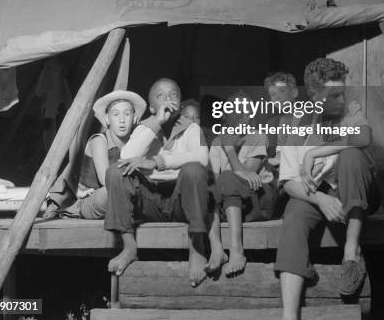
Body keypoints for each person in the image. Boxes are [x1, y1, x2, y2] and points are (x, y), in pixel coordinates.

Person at [276, 58, 380, 320]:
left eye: (342, 92)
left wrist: (314, 153)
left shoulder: (350, 110)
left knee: (352, 156)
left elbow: (364, 137)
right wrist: (321, 199)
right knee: (294, 217)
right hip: (318, 193)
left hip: (357, 190)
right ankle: (290, 316)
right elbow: (289, 181)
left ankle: (351, 251)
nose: (341, 100)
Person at [103, 78, 210, 287]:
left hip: (180, 199)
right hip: (149, 199)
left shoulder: (191, 128)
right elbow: (126, 156)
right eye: (160, 96)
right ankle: (129, 247)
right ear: (152, 107)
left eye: (173, 95)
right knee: (115, 170)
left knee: (194, 169)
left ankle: (197, 247)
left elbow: (202, 158)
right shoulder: (145, 128)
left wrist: (157, 162)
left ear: (179, 104)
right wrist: (157, 123)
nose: (168, 99)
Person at [206, 90, 276, 277]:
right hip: (229, 204)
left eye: (247, 112)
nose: (244, 116)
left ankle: (237, 250)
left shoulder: (258, 137)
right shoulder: (217, 142)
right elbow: (212, 179)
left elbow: (248, 175)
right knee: (206, 189)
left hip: (256, 200)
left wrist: (230, 151)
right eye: (238, 111)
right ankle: (217, 249)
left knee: (228, 178)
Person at [61, 90, 146, 219]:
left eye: (127, 114)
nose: (122, 120)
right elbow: (106, 180)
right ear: (107, 118)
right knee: (110, 193)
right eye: (116, 114)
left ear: (134, 118)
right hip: (93, 198)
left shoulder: (134, 141)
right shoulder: (99, 140)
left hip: (125, 194)